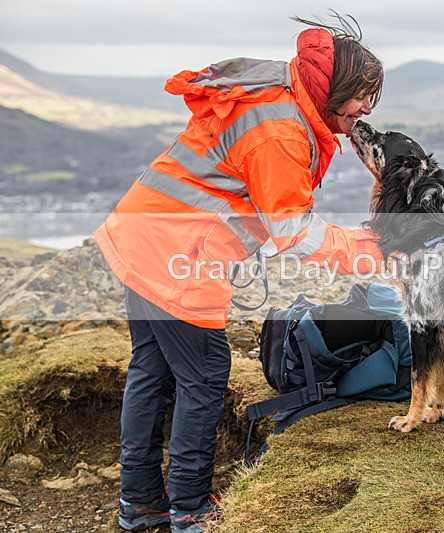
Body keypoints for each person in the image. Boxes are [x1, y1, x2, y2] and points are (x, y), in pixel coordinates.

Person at [93, 14, 385, 532]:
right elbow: (295, 233)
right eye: (362, 95)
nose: (366, 108)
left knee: (152, 371)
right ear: (332, 87)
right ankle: (191, 508)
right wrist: (372, 250)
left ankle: (139, 503)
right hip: (178, 257)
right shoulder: (282, 132)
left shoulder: (274, 91)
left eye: (372, 98)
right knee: (204, 377)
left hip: (141, 235)